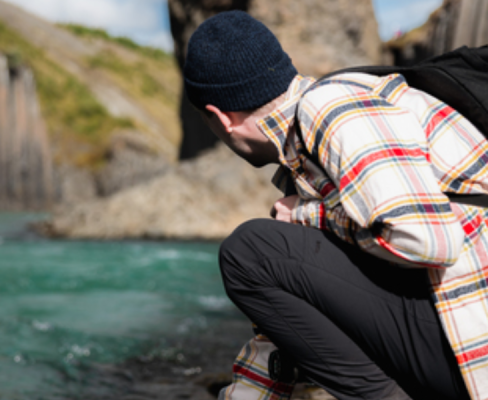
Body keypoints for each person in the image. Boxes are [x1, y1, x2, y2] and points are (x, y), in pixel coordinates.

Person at [182, 10, 488, 400]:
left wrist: (307, 215)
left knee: (248, 250)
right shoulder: (303, 158)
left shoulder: (333, 107)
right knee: (266, 255)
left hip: (473, 339)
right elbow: (286, 326)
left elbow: (427, 240)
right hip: (450, 330)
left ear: (220, 118)